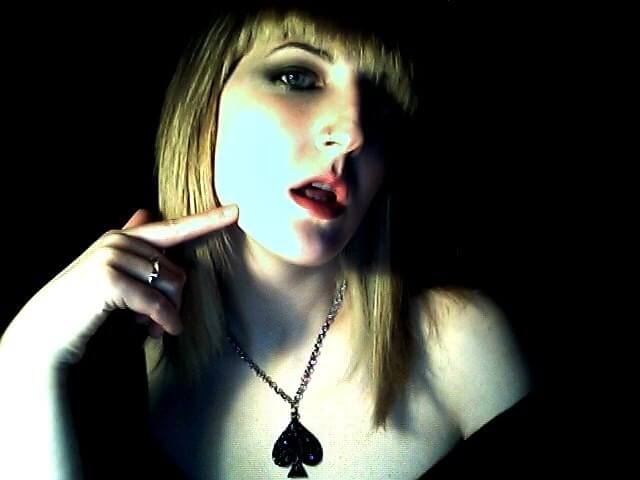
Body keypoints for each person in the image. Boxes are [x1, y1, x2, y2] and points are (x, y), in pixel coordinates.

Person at [0, 3, 533, 479]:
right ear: (205, 106)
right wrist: (26, 358)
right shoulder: (108, 379)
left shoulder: (460, 347)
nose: (353, 132)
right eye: (298, 77)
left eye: (381, 102)